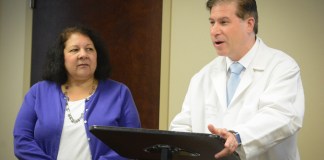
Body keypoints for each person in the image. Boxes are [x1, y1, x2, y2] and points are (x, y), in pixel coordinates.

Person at [169, 0, 304, 160]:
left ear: (249, 24)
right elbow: (183, 126)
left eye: (223, 22)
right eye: (212, 22)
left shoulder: (282, 67)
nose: (214, 31)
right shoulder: (202, 77)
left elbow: (280, 117)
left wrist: (238, 137)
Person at [13, 25, 141, 160]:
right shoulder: (38, 92)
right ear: (61, 57)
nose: (83, 55)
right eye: (75, 50)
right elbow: (22, 141)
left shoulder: (119, 93)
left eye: (89, 49)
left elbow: (132, 144)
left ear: (97, 55)